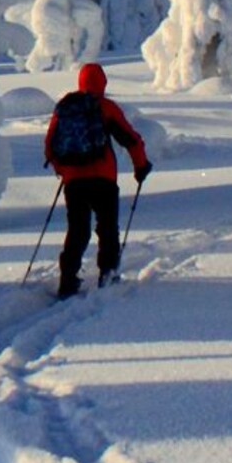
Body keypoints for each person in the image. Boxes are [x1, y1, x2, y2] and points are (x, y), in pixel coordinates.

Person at [43, 62, 151, 298]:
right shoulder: (106, 107)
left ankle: (68, 279)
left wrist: (64, 169)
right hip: (104, 178)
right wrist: (141, 166)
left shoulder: (65, 107)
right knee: (107, 227)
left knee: (77, 230)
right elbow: (130, 139)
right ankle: (108, 273)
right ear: (102, 82)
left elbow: (50, 145)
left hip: (74, 182)